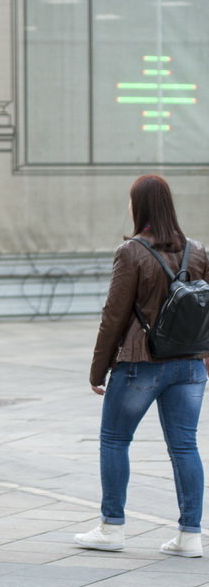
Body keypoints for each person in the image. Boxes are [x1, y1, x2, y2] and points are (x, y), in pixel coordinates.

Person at [76, 174, 209, 558]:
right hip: (189, 365)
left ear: (139, 207)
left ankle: (112, 527)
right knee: (184, 446)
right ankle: (189, 536)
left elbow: (113, 316)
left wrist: (98, 370)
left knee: (115, 440)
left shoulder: (131, 252)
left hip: (140, 363)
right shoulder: (198, 251)